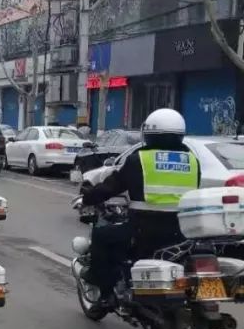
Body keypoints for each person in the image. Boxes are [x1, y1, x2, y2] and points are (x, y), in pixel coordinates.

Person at [81, 108, 200, 306]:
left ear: (150, 134)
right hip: (180, 232)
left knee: (101, 235)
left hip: (143, 229)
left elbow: (111, 186)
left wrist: (88, 197)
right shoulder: (192, 161)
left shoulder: (140, 160)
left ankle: (106, 292)